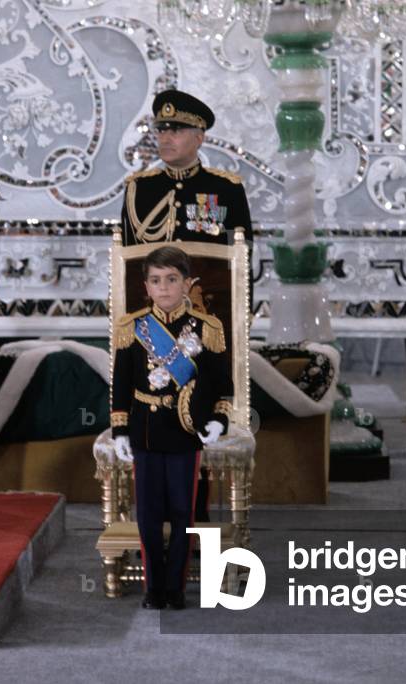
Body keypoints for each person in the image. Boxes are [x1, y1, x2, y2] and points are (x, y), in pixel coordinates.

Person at [120, 89, 253, 522]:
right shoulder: (139, 190)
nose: (166, 137)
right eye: (161, 129)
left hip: (203, 328)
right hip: (151, 331)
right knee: (152, 423)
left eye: (176, 130)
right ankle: (154, 529)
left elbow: (242, 266)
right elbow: (128, 267)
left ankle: (191, 524)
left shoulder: (225, 190)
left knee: (197, 413)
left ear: (200, 136)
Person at [110, 246, 233, 609]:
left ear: (187, 283)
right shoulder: (132, 328)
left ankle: (176, 588)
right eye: (155, 280)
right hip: (145, 431)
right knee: (147, 515)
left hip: (184, 431)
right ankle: (153, 588)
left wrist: (218, 419)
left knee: (183, 512)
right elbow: (120, 385)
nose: (163, 288)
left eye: (172, 279)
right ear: (145, 286)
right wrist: (119, 430)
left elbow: (220, 385)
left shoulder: (208, 329)